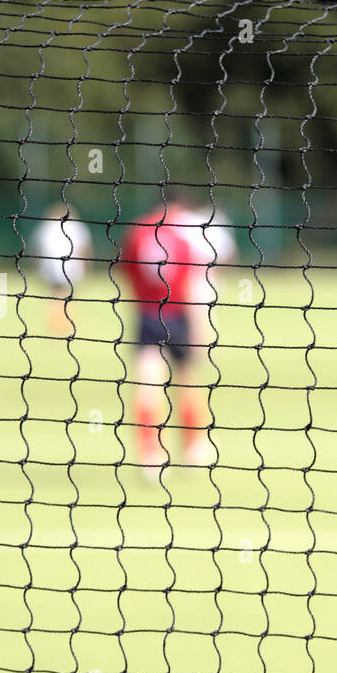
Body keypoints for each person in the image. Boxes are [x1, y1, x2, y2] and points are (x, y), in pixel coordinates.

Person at [118, 188, 231, 471]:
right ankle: (194, 447)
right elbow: (194, 284)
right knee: (188, 381)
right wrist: (201, 328)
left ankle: (150, 454)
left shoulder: (138, 230)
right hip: (180, 316)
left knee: (148, 381)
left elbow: (126, 271)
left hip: (147, 315)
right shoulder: (186, 236)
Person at [32, 202, 91, 335]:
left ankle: (58, 324)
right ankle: (64, 323)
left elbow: (38, 249)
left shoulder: (47, 226)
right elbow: (85, 249)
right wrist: (86, 267)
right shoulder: (76, 226)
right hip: (70, 267)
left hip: (52, 267)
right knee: (66, 295)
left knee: (55, 295)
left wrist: (37, 266)